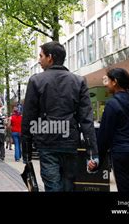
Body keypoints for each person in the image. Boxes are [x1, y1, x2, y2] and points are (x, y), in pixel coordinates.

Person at [22, 41, 98, 192]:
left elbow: (29, 117)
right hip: (70, 142)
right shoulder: (79, 81)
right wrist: (92, 152)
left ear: (50, 57)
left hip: (47, 142)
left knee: (52, 186)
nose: (39, 60)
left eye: (41, 55)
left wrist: (26, 150)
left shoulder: (36, 81)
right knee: (69, 185)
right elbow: (86, 119)